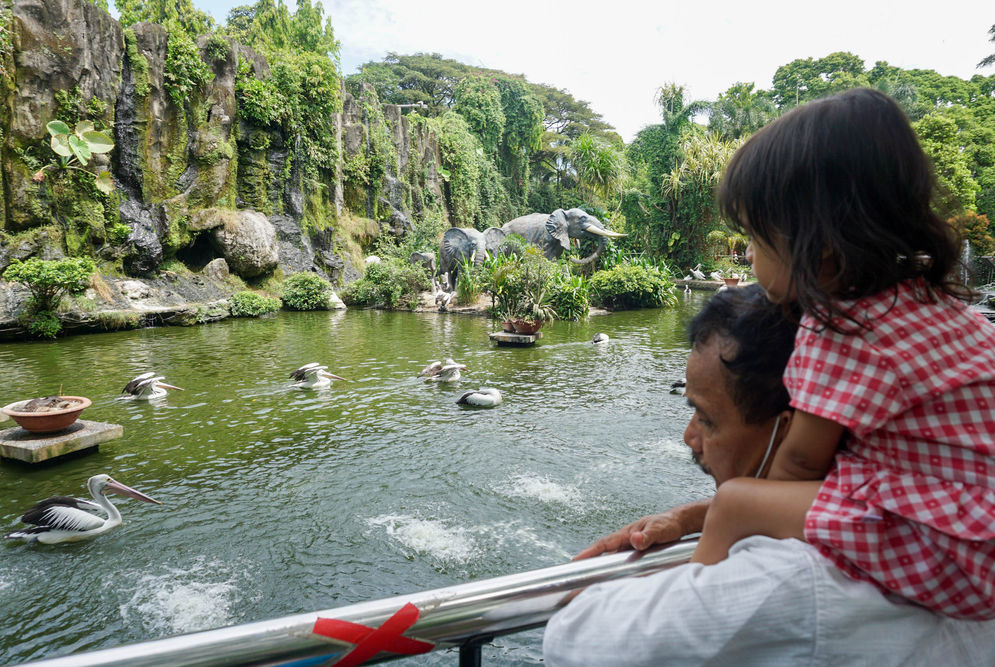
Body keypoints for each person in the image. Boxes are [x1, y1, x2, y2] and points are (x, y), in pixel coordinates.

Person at [544, 283, 995, 666]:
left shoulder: (796, 580)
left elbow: (574, 639)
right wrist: (698, 516)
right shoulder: (945, 523)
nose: (689, 437)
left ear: (796, 428)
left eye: (705, 418)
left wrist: (674, 576)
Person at [688, 88, 995, 621]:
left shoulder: (843, 329)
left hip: (955, 551)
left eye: (757, 243)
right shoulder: (937, 306)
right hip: (974, 526)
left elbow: (804, 460)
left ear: (817, 243)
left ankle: (696, 617)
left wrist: (759, 513)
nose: (752, 262)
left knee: (737, 501)